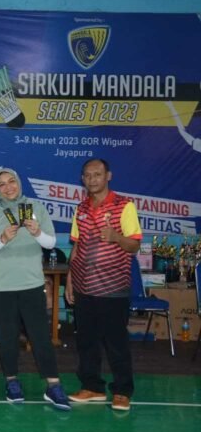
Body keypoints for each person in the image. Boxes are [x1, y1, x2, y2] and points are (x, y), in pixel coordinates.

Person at [0, 168, 71, 411]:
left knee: (40, 336)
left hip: (31, 283)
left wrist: (36, 232)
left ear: (19, 183)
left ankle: (53, 385)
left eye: (11, 181)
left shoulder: (36, 207)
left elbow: (51, 243)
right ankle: (11, 382)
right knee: (6, 337)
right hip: (0, 286)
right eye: (2, 184)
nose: (8, 187)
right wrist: (3, 239)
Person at [66, 158, 141, 412]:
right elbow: (76, 246)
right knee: (86, 341)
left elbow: (134, 245)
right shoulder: (81, 208)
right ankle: (92, 387)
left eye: (97, 174)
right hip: (83, 287)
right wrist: (70, 279)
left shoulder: (124, 206)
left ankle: (122, 391)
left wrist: (116, 237)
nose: (92, 179)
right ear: (82, 179)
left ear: (108, 176)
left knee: (116, 342)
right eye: (87, 175)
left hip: (113, 288)